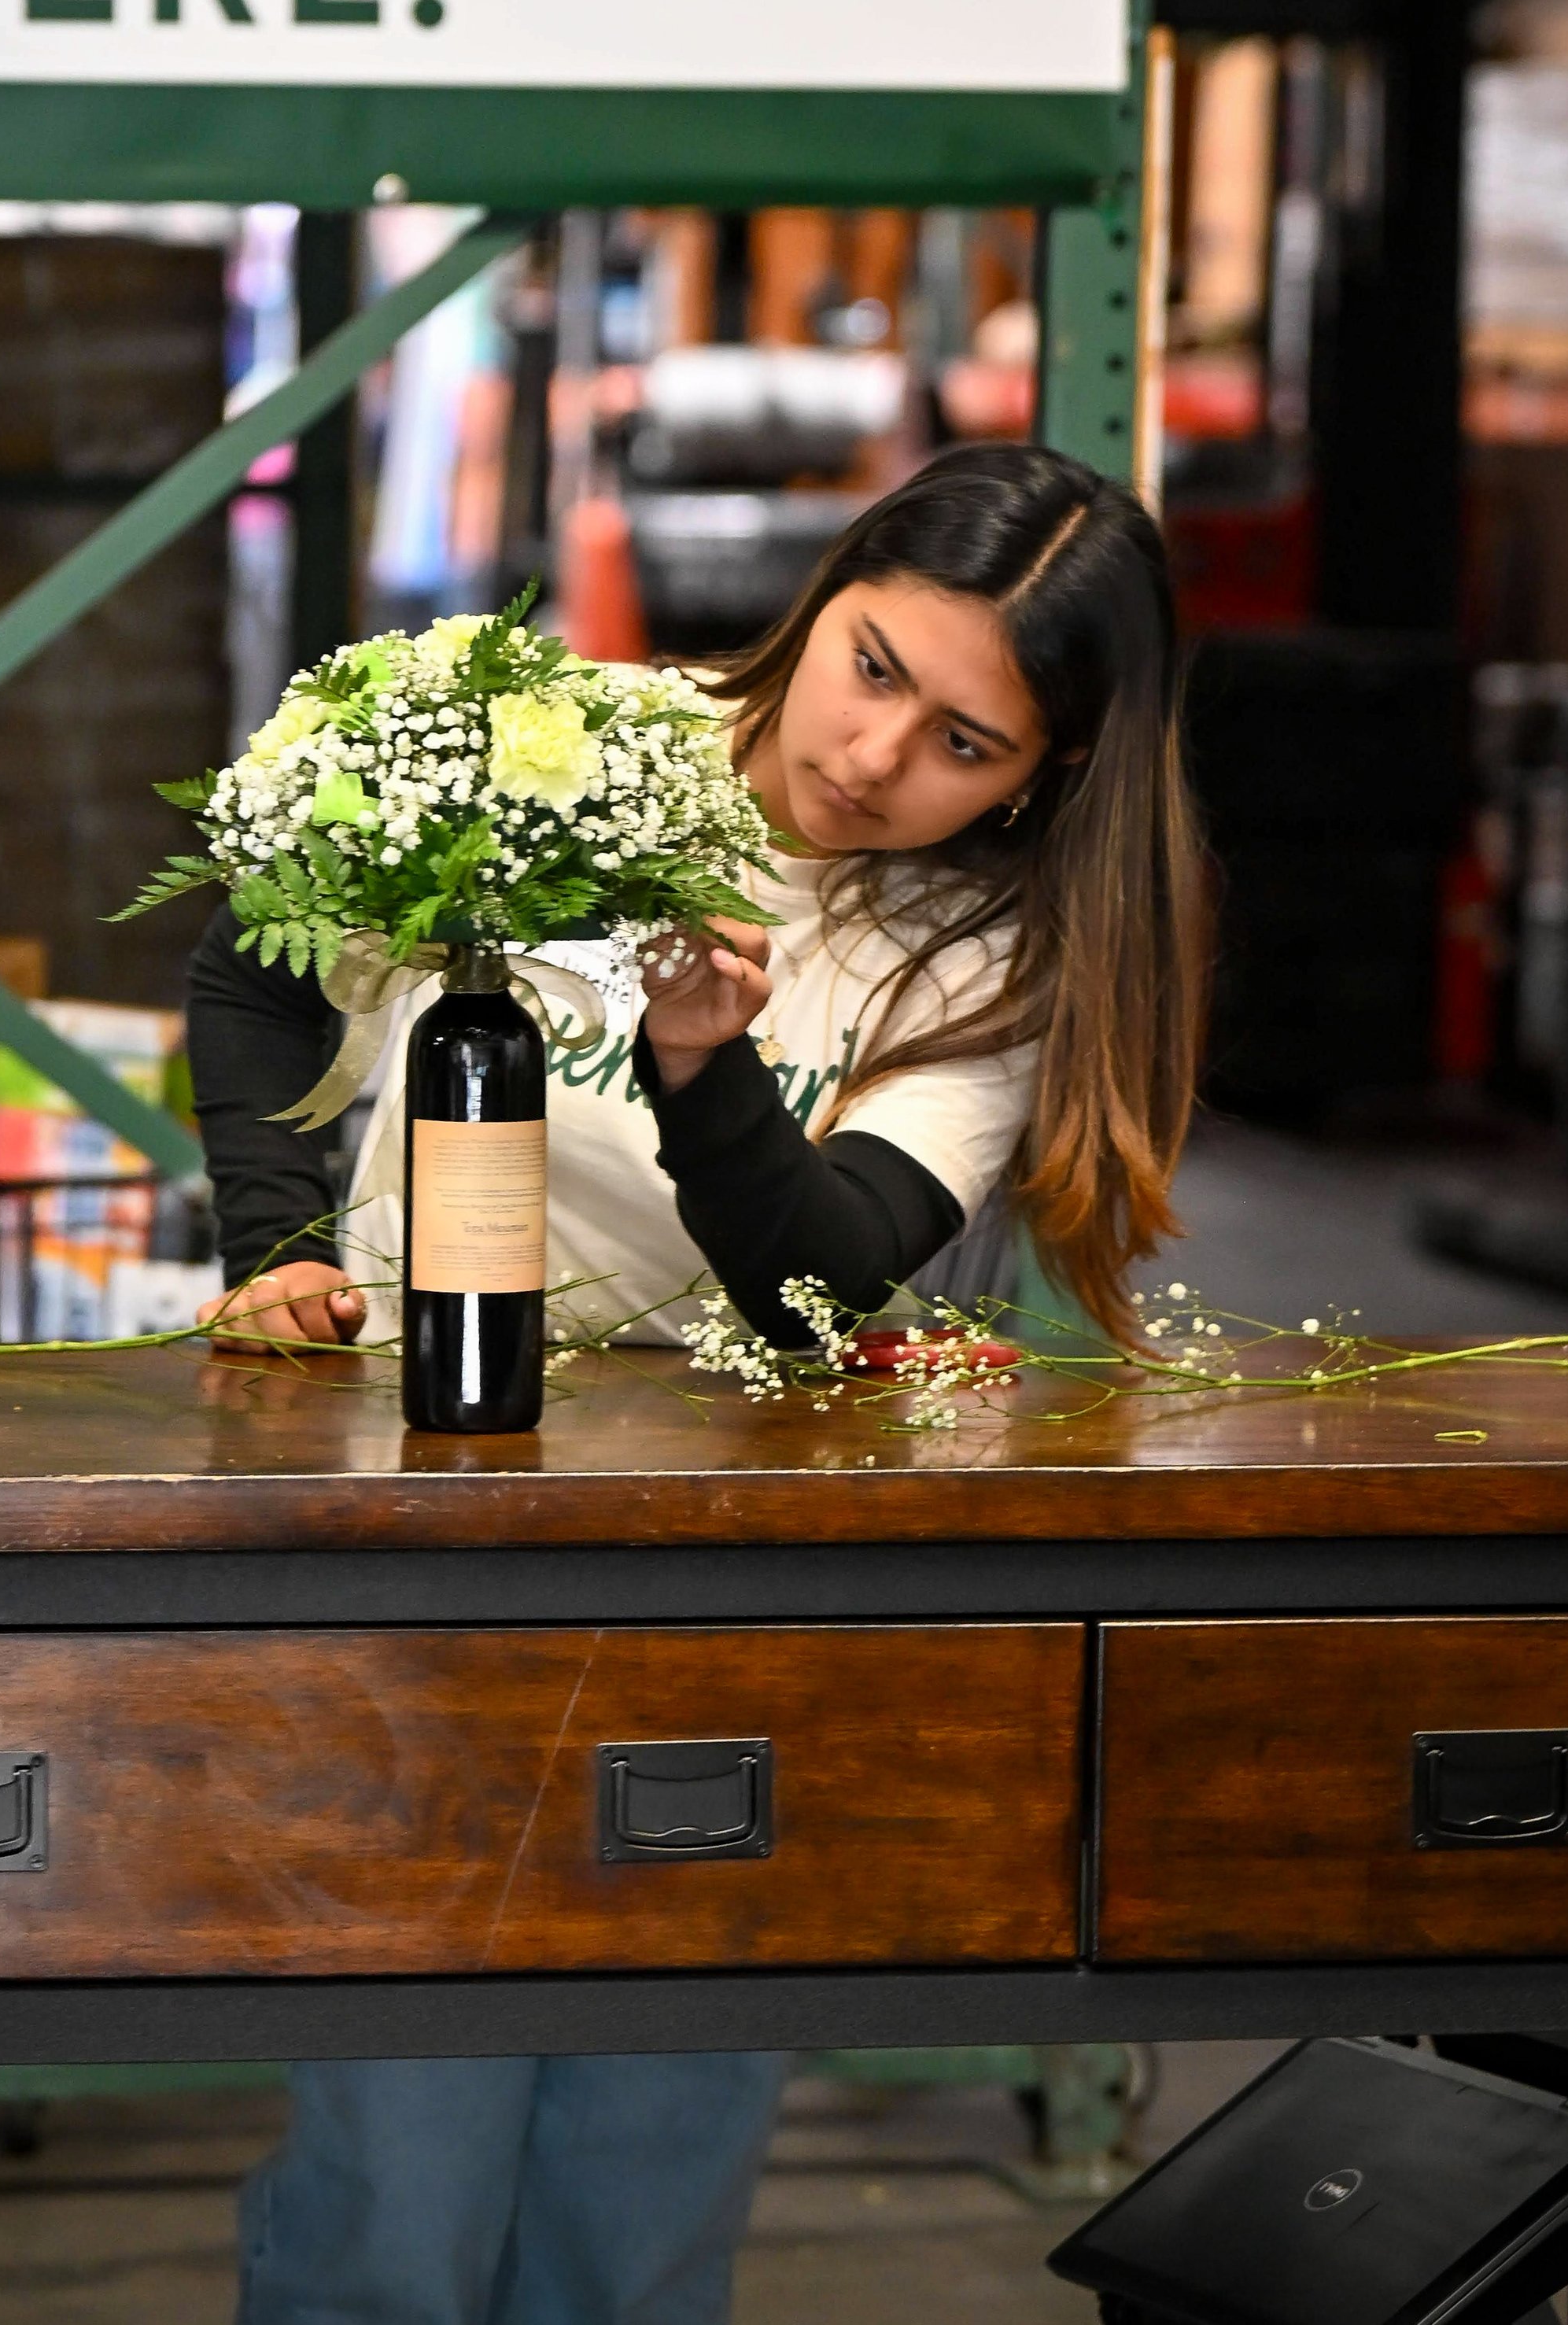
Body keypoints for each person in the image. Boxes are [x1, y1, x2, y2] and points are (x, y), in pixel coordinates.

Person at [186, 441, 1208, 2325]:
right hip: (420, 1534)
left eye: (966, 744)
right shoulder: (554, 745)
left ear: (1048, 771)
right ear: (826, 594)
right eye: (876, 665)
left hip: (721, 1583)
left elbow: (824, 1275)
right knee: (397, 2193)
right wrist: (279, 1247)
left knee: (642, 2199)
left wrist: (702, 1063)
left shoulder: (993, 955)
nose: (874, 756)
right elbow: (252, 970)